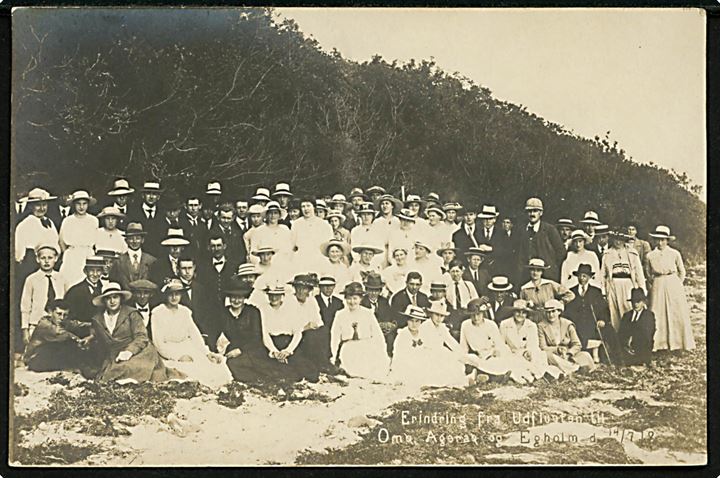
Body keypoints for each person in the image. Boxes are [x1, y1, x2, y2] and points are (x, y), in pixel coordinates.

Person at [87, 282, 180, 383]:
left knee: (130, 368)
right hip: (114, 355)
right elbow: (97, 334)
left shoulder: (132, 313)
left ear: (121, 299)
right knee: (109, 373)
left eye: (115, 297)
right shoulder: (97, 319)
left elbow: (141, 336)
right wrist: (90, 337)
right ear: (104, 301)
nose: (112, 301)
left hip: (139, 351)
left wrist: (129, 351)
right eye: (108, 298)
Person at [151, 279, 231, 389]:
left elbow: (194, 334)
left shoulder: (185, 311)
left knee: (210, 365)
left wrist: (206, 353)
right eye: (171, 294)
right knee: (187, 371)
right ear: (165, 295)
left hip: (187, 346)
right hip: (169, 350)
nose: (174, 298)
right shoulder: (158, 313)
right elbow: (158, 343)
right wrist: (177, 356)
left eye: (177, 294)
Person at [645, 225, 695, 352]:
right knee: (657, 311)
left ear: (667, 240)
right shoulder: (650, 255)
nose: (660, 242)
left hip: (673, 282)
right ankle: (659, 343)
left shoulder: (674, 253)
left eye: (663, 239)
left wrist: (677, 283)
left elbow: (681, 271)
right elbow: (648, 272)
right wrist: (655, 282)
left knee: (676, 311)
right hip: (658, 282)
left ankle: (678, 342)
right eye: (657, 239)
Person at [258, 282, 319, 383]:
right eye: (271, 295)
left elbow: (297, 332)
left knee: (310, 372)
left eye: (277, 295)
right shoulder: (263, 309)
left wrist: (288, 351)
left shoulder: (290, 307)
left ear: (282, 295)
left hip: (288, 342)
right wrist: (274, 351)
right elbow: (265, 333)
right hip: (271, 343)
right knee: (274, 370)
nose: (274, 298)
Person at [330, 282, 390, 380]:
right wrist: (333, 357)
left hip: (366, 347)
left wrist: (382, 353)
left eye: (355, 298)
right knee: (352, 371)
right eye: (349, 298)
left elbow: (378, 336)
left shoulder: (368, 313)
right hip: (349, 348)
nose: (352, 302)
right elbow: (335, 338)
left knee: (375, 370)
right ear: (345, 299)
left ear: (361, 299)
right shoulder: (340, 315)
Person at [564, 263, 616, 364]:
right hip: (577, 325)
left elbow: (604, 309)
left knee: (610, 331)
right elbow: (567, 312)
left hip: (592, 324)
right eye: (580, 275)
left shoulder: (596, 292)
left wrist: (602, 320)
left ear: (589, 277)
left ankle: (615, 360)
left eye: (585, 276)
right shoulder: (571, 292)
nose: (582, 278)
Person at [499, 299, 562, 383]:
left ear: (527, 314)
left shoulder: (531, 325)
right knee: (513, 362)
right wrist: (510, 353)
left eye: (523, 312)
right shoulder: (505, 324)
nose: (520, 315)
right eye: (517, 311)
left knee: (538, 356)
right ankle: (536, 376)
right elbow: (501, 344)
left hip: (528, 353)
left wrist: (527, 352)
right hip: (511, 354)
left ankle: (546, 374)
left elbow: (534, 345)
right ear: (513, 312)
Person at [20, 242, 68, 346]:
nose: (46, 261)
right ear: (37, 259)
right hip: (37, 325)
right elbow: (25, 306)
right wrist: (25, 330)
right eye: (43, 258)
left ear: (55, 258)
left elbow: (65, 303)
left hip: (57, 326)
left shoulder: (61, 278)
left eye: (50, 258)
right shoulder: (31, 279)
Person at [23, 299, 89, 372]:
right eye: (59, 314)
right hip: (34, 358)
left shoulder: (62, 321)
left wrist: (93, 324)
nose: (62, 318)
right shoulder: (44, 324)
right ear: (51, 312)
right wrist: (79, 341)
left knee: (64, 347)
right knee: (64, 345)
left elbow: (75, 324)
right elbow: (61, 333)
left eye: (65, 315)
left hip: (46, 357)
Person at [601, 230, 646, 331]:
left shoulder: (632, 253)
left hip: (628, 284)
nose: (618, 242)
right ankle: (618, 339)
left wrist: (642, 289)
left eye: (621, 239)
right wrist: (603, 291)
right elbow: (603, 274)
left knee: (628, 308)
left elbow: (639, 273)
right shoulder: (607, 254)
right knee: (614, 311)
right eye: (616, 239)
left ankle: (630, 337)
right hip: (613, 284)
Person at [459, 299, 512, 384]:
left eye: (478, 314)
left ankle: (487, 376)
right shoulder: (465, 325)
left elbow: (499, 344)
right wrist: (464, 358)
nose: (476, 318)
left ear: (483, 313)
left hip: (492, 355)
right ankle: (488, 376)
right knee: (468, 360)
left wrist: (497, 351)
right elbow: (463, 347)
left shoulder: (491, 325)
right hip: (478, 357)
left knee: (501, 361)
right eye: (473, 315)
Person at [537, 299, 596, 375]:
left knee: (585, 355)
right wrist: (557, 350)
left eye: (553, 311)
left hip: (569, 356)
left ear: (559, 312)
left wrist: (569, 353)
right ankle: (574, 369)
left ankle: (567, 368)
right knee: (546, 355)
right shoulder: (541, 326)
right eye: (548, 312)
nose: (551, 315)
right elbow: (543, 347)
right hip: (554, 356)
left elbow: (577, 344)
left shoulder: (567, 324)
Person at [418, 301, 469, 387]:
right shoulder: (425, 326)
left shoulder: (442, 327)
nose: (439, 318)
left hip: (440, 351)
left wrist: (462, 354)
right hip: (427, 352)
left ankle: (460, 380)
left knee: (456, 362)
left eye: (442, 316)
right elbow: (421, 343)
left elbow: (451, 341)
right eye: (437, 315)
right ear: (431, 314)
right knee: (437, 368)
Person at [518, 197, 566, 282]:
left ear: (541, 213)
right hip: (528, 277)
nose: (532, 214)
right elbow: (521, 255)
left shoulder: (550, 230)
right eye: (529, 211)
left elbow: (561, 252)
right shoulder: (523, 231)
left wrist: (551, 266)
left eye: (535, 211)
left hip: (547, 276)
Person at [59, 190, 99, 285]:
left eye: (84, 204)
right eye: (78, 204)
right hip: (72, 256)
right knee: (70, 282)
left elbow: (97, 240)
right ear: (73, 204)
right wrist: (71, 253)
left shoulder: (93, 220)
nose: (81, 207)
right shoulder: (68, 221)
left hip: (88, 255)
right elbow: (61, 242)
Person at [291, 198, 334, 273]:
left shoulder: (324, 225)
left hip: (319, 260)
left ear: (314, 207)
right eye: (303, 206)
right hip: (301, 259)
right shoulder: (296, 224)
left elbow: (329, 245)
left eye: (308, 206)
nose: (306, 209)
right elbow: (292, 245)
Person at [111, 222, 157, 290]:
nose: (134, 241)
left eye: (138, 238)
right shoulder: (118, 262)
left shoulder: (151, 260)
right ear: (126, 241)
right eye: (131, 238)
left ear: (142, 240)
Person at [618, 288, 656, 365]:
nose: (635, 304)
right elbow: (621, 332)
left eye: (638, 302)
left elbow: (648, 334)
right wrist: (626, 343)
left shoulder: (649, 315)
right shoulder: (627, 316)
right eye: (633, 302)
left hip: (642, 347)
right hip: (627, 348)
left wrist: (633, 340)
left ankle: (642, 361)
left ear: (643, 302)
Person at [127, 181, 165, 257]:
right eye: (148, 193)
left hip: (159, 256)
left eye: (154, 194)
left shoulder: (163, 213)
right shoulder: (133, 212)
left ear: (158, 197)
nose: (151, 196)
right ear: (143, 195)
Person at [360, 272, 394, 353]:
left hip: (383, 332)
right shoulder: (361, 302)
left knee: (391, 336)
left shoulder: (384, 301)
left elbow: (389, 317)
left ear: (380, 291)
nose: (374, 293)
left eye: (376, 290)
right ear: (366, 290)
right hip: (367, 332)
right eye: (371, 290)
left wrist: (388, 325)